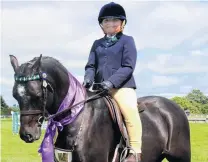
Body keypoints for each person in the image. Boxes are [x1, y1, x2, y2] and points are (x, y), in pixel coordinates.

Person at [83, 2, 142, 162]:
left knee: (130, 110)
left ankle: (135, 151)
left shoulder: (127, 41)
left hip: (121, 87)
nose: (110, 23)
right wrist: (88, 78)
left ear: (122, 23)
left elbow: (128, 66)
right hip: (98, 87)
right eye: (106, 20)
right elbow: (91, 65)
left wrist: (111, 82)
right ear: (101, 24)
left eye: (115, 20)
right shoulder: (97, 44)